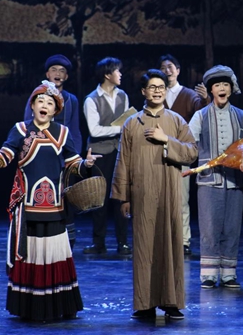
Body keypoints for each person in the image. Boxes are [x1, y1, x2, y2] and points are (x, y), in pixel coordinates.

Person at [0, 80, 100, 321]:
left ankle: (59, 305)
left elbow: (73, 164)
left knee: (55, 253)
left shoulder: (63, 133)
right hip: (28, 207)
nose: (44, 105)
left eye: (50, 103)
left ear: (55, 110)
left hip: (56, 206)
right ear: (33, 105)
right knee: (32, 255)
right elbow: (5, 156)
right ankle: (32, 308)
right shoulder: (20, 130)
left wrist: (86, 164)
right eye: (40, 101)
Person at [112, 69, 198, 320]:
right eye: (152, 87)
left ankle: (172, 302)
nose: (158, 91)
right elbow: (123, 161)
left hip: (169, 191)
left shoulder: (176, 120)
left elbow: (192, 152)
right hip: (142, 193)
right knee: (144, 247)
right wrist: (124, 197)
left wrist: (166, 140)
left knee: (170, 244)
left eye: (161, 87)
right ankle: (145, 303)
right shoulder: (132, 123)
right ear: (143, 91)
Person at [187, 65, 243, 289]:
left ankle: (228, 274)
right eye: (217, 85)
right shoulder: (201, 115)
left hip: (236, 181)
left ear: (231, 88)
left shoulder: (242, 116)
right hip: (209, 180)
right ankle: (208, 274)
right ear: (211, 90)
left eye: (226, 84)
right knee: (209, 228)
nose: (222, 88)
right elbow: (189, 144)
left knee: (232, 228)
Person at [24, 54, 82, 249]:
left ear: (66, 77)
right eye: (54, 70)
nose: (58, 74)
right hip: (39, 158)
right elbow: (27, 126)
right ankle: (36, 242)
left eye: (62, 71)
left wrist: (75, 160)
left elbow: (75, 131)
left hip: (63, 159)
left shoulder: (71, 100)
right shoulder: (37, 97)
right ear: (47, 74)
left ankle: (66, 244)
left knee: (65, 200)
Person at [159, 54, 209, 255]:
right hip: (158, 153)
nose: (167, 70)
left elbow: (201, 112)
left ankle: (184, 240)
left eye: (171, 66)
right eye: (163, 67)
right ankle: (163, 240)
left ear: (178, 70)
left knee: (181, 199)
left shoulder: (188, 95)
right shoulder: (157, 94)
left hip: (181, 153)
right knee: (160, 200)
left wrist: (205, 98)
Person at [83, 57, 132, 255]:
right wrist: (119, 128)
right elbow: (94, 130)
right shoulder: (91, 99)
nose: (120, 74)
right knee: (99, 199)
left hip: (120, 152)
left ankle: (123, 242)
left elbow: (128, 121)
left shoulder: (123, 95)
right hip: (99, 154)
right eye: (117, 71)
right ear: (107, 74)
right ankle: (99, 243)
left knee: (121, 197)